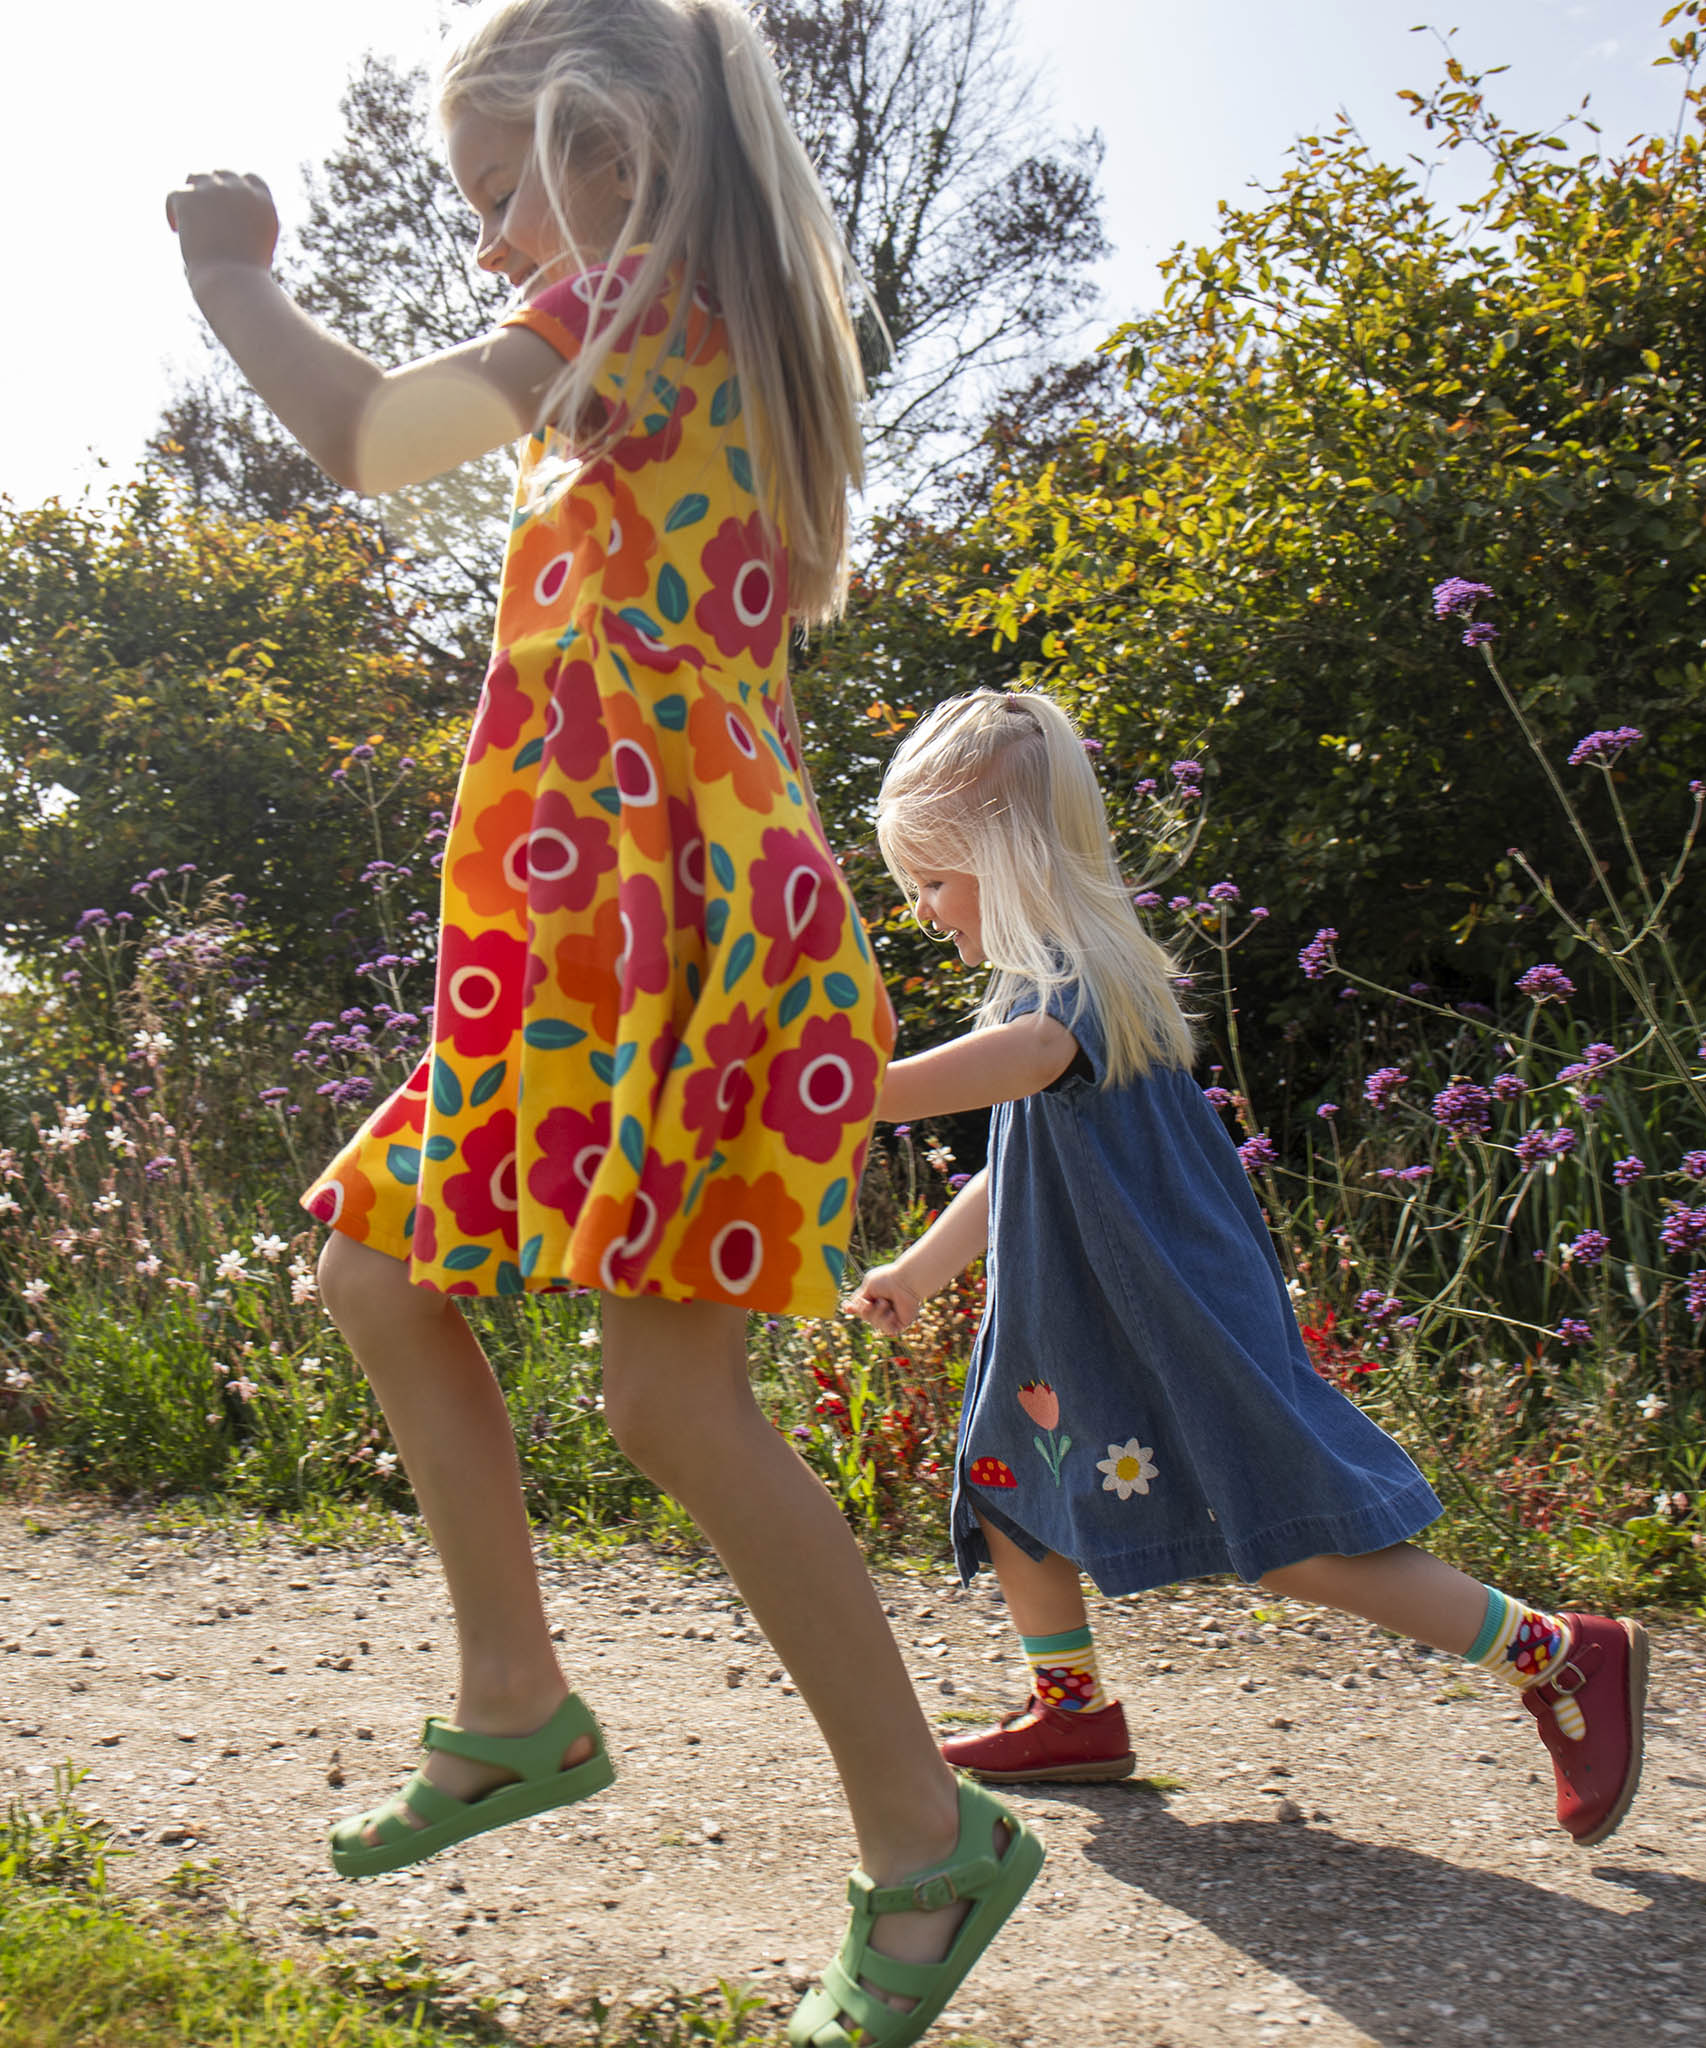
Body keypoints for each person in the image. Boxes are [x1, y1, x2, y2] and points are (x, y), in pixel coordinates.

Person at [164, 5, 1041, 2040]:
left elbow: (367, 442)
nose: (486, 249)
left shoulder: (641, 295)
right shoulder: (685, 339)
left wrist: (235, 284)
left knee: (659, 1396)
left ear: (619, 152)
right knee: (379, 1274)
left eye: (497, 194)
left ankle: (923, 1847)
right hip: (611, 930)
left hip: (668, 935)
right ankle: (517, 1698)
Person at [846, 686, 1647, 1851]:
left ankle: (1556, 1650)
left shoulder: (1071, 996)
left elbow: (946, 1080)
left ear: (1003, 856)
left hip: (1167, 1311)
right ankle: (1070, 1712)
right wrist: (920, 1267)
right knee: (1014, 1480)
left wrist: (825, 1070)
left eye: (931, 878)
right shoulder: (1033, 994)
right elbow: (1012, 1169)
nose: (922, 910)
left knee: (1280, 1529)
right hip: (1073, 1318)